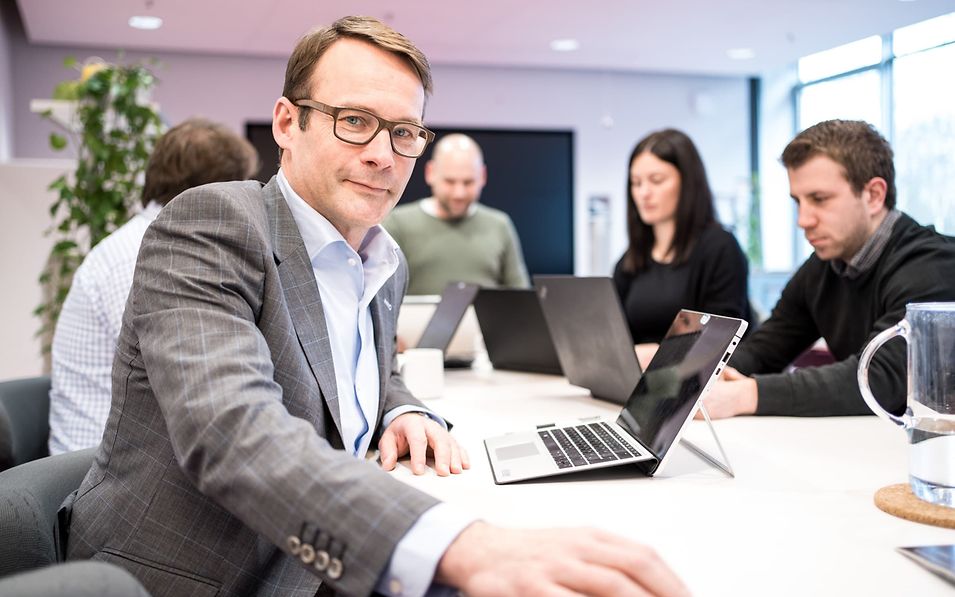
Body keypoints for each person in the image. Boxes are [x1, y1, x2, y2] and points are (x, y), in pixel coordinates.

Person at [65, 16, 688, 597]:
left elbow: (369, 371)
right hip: (200, 574)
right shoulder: (215, 224)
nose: (384, 155)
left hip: (314, 556)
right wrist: (462, 543)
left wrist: (402, 410)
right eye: (354, 121)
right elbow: (231, 430)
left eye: (403, 132)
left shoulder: (381, 263)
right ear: (287, 123)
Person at [703, 119, 955, 419]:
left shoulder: (933, 266)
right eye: (798, 201)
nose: (803, 220)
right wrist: (718, 376)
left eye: (819, 199)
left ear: (873, 195)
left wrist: (749, 394)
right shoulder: (824, 265)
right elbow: (766, 347)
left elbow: (880, 379)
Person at [47, 118, 259, 454]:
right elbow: (196, 385)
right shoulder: (144, 255)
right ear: (218, 189)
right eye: (243, 184)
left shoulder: (153, 241)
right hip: (94, 468)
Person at [612, 128, 750, 346]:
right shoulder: (631, 260)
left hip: (699, 379)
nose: (643, 193)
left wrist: (653, 355)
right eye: (636, 183)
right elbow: (616, 336)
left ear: (687, 183)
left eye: (656, 180)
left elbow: (719, 341)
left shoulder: (719, 248)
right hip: (639, 378)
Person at [382, 133, 530, 295]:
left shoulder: (499, 225)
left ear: (483, 176)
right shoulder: (397, 224)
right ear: (430, 173)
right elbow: (382, 297)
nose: (459, 193)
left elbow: (521, 297)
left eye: (468, 182)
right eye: (450, 182)